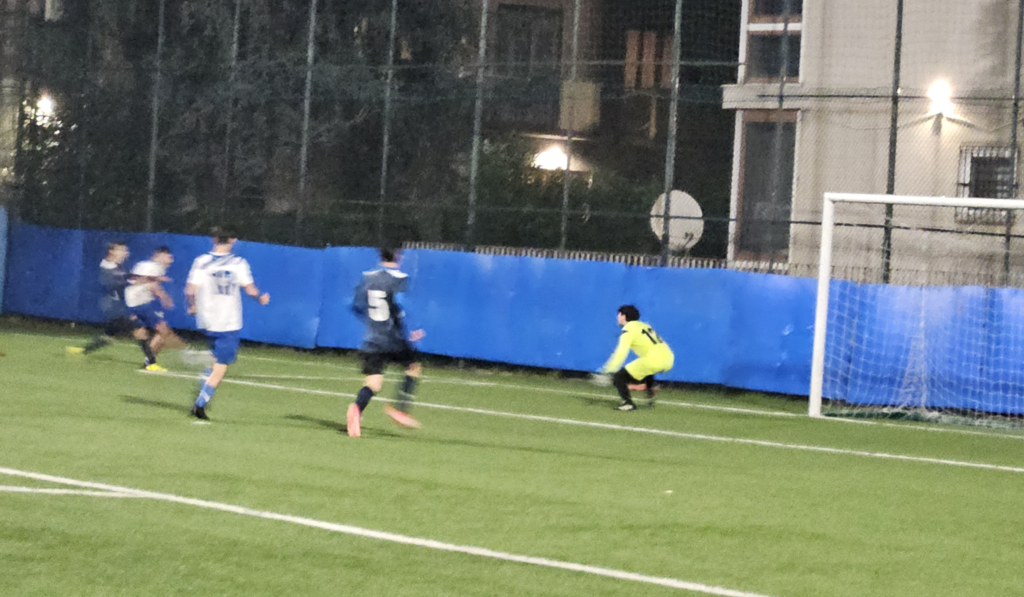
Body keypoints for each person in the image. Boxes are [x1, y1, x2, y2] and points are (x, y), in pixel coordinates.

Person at [185, 227, 269, 420]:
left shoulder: (201, 261)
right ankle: (200, 404)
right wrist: (261, 298)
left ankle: (203, 388)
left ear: (214, 239)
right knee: (221, 365)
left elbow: (190, 290)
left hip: (207, 320)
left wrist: (193, 306)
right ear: (233, 240)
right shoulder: (238, 263)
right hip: (228, 321)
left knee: (214, 359)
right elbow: (250, 290)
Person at [346, 246, 425, 438]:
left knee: (373, 383)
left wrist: (372, 321)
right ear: (398, 255)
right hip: (392, 338)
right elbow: (400, 303)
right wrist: (412, 327)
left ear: (380, 255)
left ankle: (356, 408)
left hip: (371, 339)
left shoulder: (367, 277)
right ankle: (401, 409)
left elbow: (355, 306)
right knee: (414, 366)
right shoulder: (399, 278)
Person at [595, 305, 674, 411]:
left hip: (653, 360)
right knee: (645, 368)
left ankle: (628, 403)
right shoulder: (645, 326)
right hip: (668, 358)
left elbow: (621, 353)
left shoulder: (628, 329)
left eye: (619, 315)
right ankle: (651, 387)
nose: (617, 317)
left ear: (623, 316)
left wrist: (609, 370)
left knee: (619, 377)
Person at [67, 242, 134, 356]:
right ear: (111, 251)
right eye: (121, 250)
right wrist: (130, 282)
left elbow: (124, 281)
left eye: (126, 251)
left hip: (118, 306)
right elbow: (109, 283)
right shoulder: (105, 266)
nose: (125, 253)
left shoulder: (119, 268)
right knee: (140, 331)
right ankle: (150, 361)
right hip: (111, 306)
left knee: (110, 335)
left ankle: (84, 350)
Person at [124, 246, 177, 372]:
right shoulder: (155, 267)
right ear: (159, 255)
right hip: (140, 304)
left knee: (145, 333)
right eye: (169, 257)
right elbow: (153, 286)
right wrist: (165, 298)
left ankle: (150, 361)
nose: (171, 261)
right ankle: (150, 361)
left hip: (134, 303)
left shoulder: (144, 264)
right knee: (163, 330)